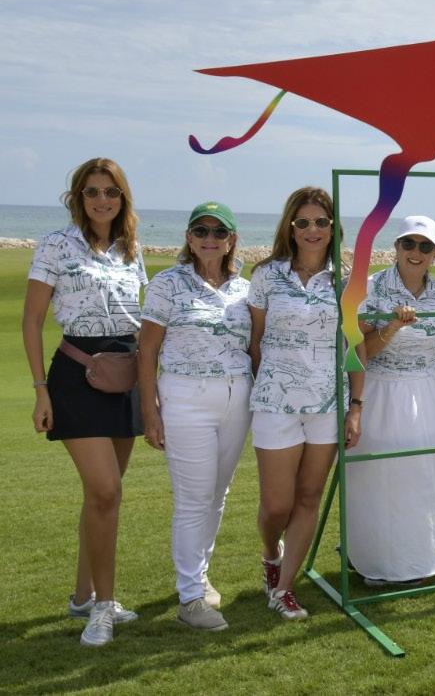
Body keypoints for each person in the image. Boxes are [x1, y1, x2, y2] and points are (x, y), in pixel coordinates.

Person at [22, 157, 146, 647]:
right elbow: (32, 321)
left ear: (122, 198)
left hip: (125, 375)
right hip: (76, 375)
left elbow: (140, 319)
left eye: (110, 191)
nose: (101, 200)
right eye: (92, 191)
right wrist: (40, 390)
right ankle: (102, 606)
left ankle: (82, 595)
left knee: (101, 498)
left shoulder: (131, 249)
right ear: (78, 197)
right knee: (106, 492)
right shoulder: (56, 243)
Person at [248, 186, 362, 619]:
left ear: (332, 228)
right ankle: (270, 554)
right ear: (290, 228)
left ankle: (284, 588)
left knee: (309, 496)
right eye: (303, 222)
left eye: (321, 222)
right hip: (275, 404)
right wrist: (270, 383)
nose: (312, 230)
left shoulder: (346, 280)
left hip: (328, 406)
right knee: (277, 505)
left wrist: (355, 406)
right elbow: (255, 341)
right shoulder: (266, 275)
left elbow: (354, 347)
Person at [137, 201, 251, 631]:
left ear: (231, 240)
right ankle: (190, 599)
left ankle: (198, 577)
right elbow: (147, 350)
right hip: (185, 397)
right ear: (188, 237)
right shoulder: (167, 283)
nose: (209, 239)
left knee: (217, 495)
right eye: (201, 231)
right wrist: (150, 411)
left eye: (219, 232)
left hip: (237, 395)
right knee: (193, 499)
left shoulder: (245, 289)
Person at [347, 216, 435, 585]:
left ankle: (427, 556)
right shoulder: (371, 288)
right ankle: (381, 559)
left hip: (428, 390)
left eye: (425, 246)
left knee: (428, 476)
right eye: (409, 244)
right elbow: (359, 350)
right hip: (382, 389)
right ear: (396, 247)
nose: (416, 252)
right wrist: (393, 327)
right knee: (383, 478)